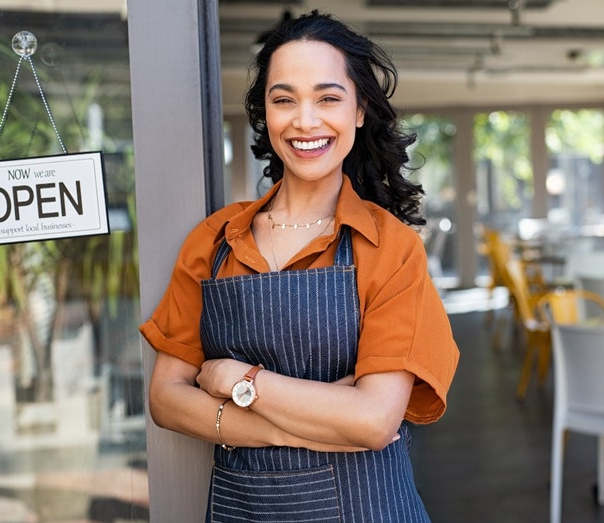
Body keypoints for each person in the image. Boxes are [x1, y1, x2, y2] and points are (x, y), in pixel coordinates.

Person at [140, 10, 459, 522]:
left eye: (328, 98)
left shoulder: (389, 248)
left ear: (359, 111)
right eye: (284, 99)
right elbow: (166, 399)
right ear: (265, 114)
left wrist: (239, 380)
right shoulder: (214, 240)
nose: (305, 120)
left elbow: (374, 421)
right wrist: (291, 430)